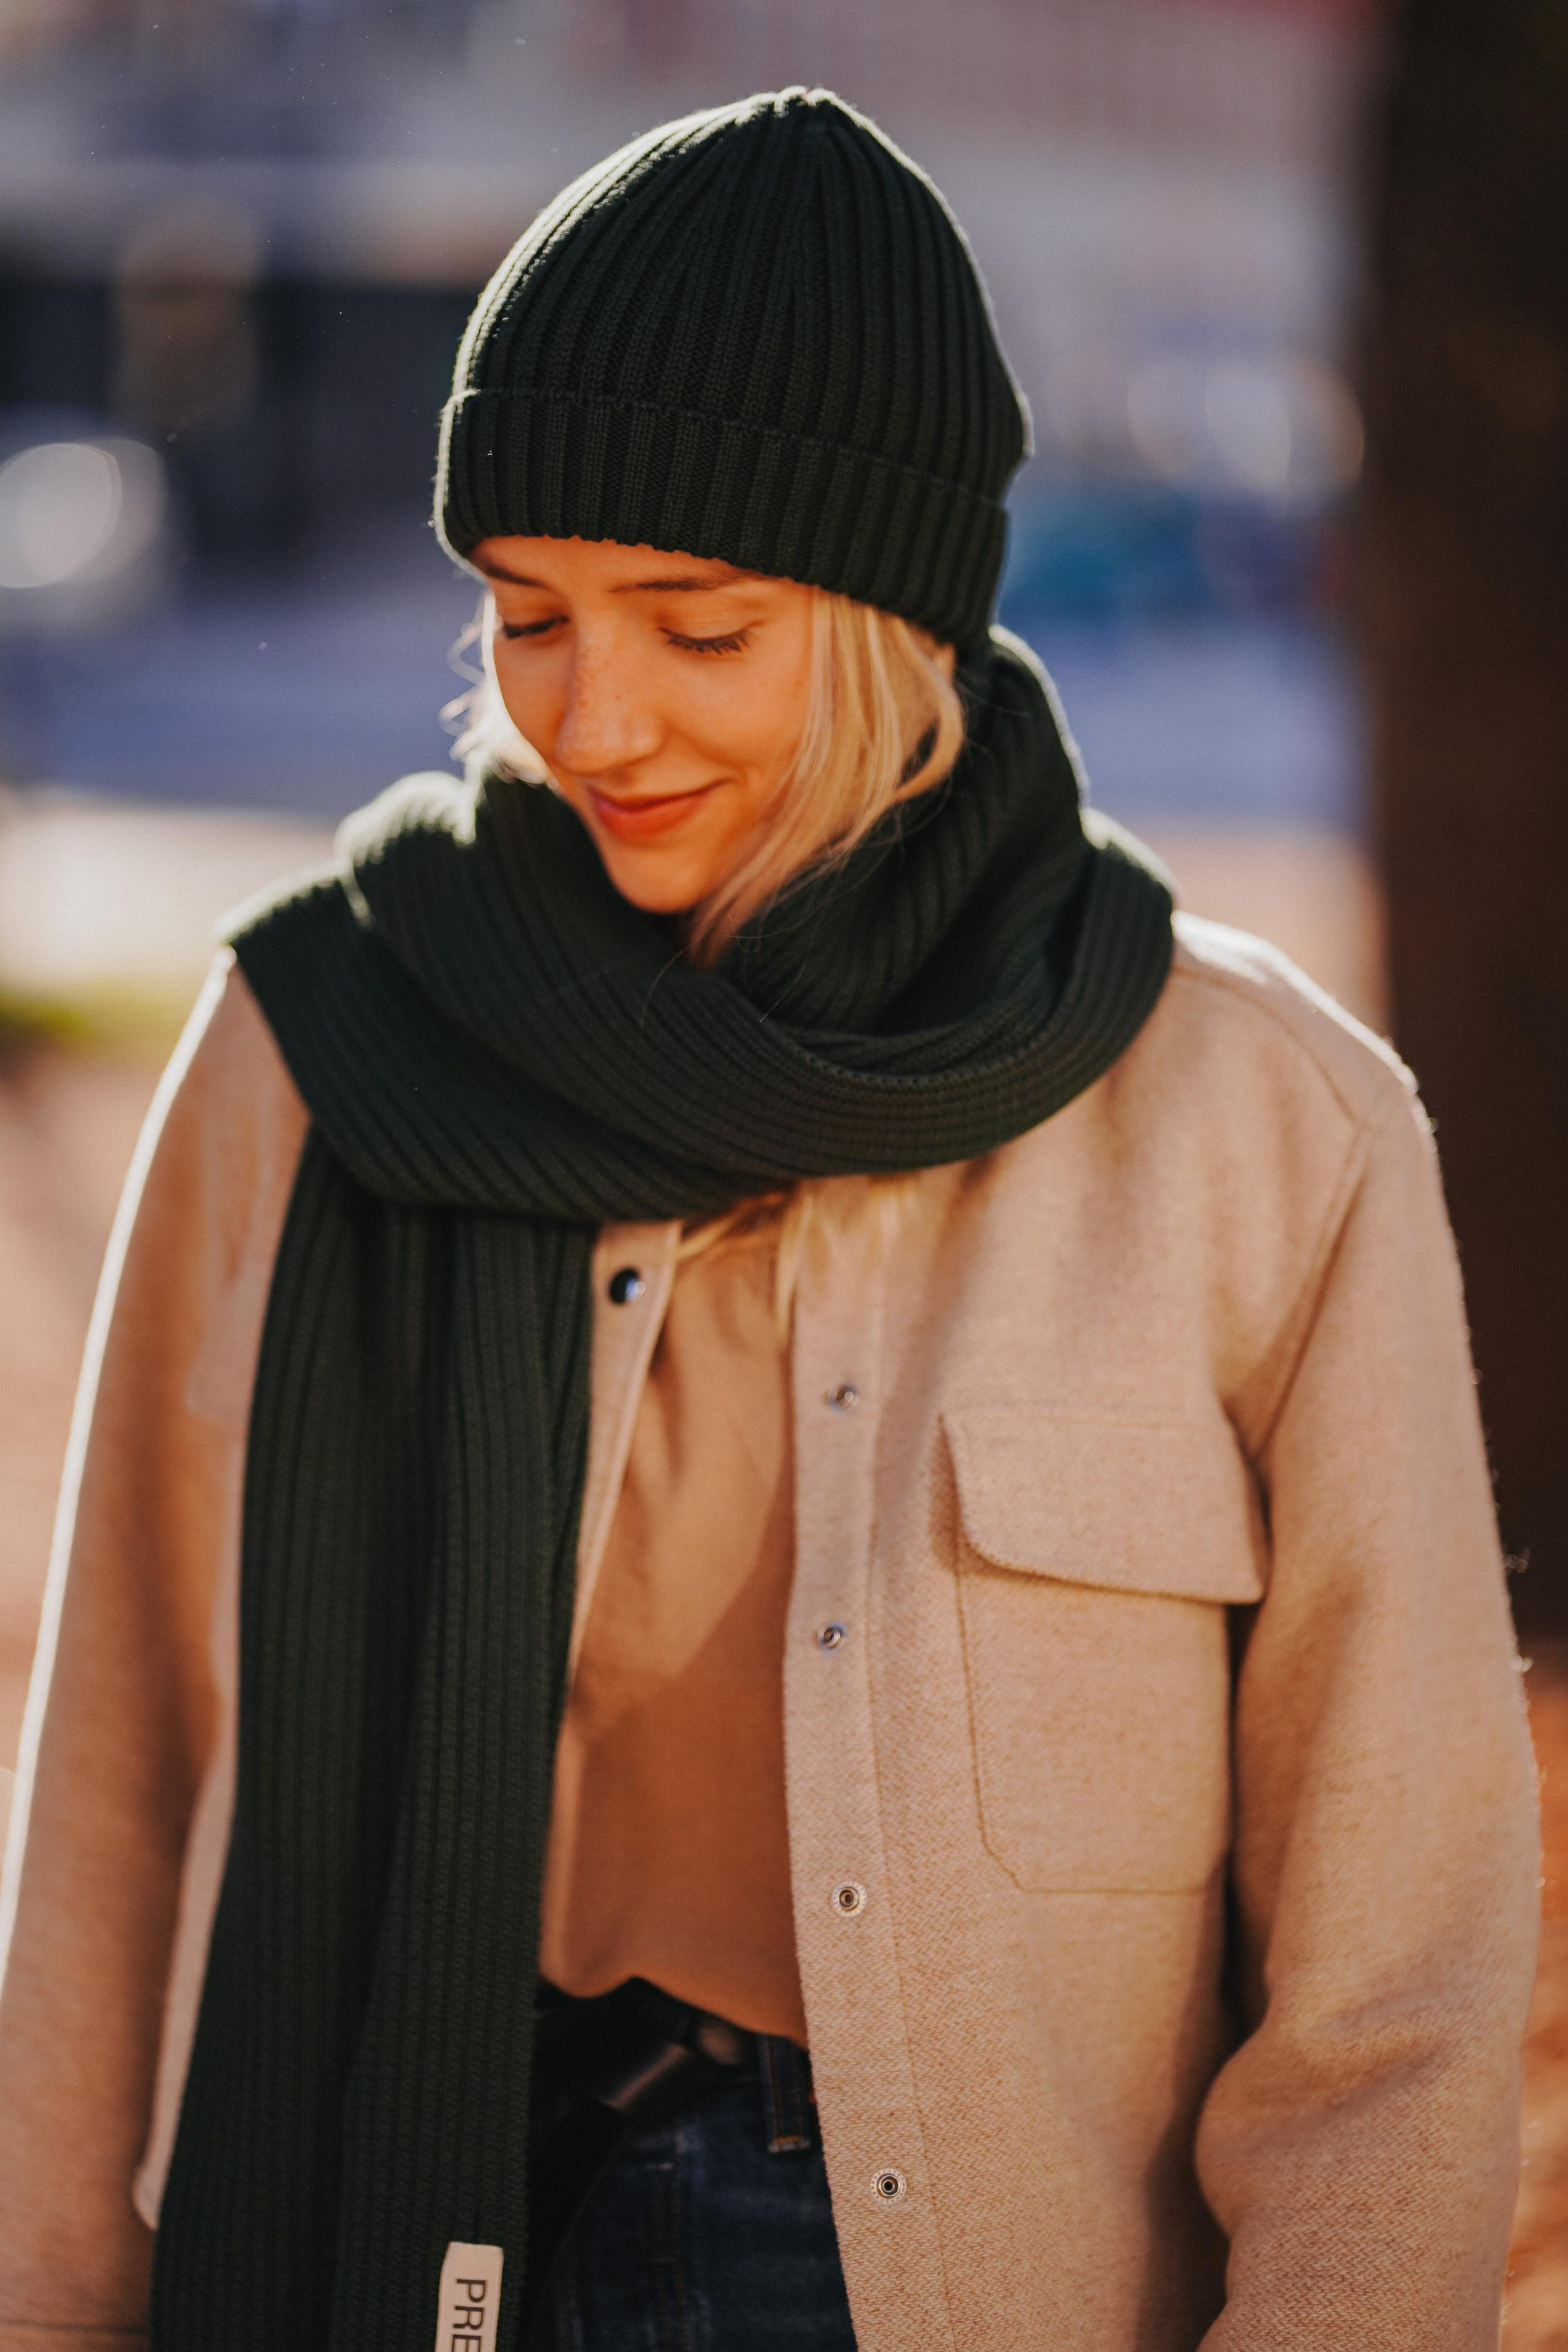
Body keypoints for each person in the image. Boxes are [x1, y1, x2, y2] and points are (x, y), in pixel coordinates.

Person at [0, 86, 1540, 2352]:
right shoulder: (313, 1042)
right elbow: (115, 1785)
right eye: (528, 616)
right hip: (411, 2241)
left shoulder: (1260, 1125)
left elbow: (1399, 1950)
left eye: (695, 627)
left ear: (893, 608)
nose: (590, 715)